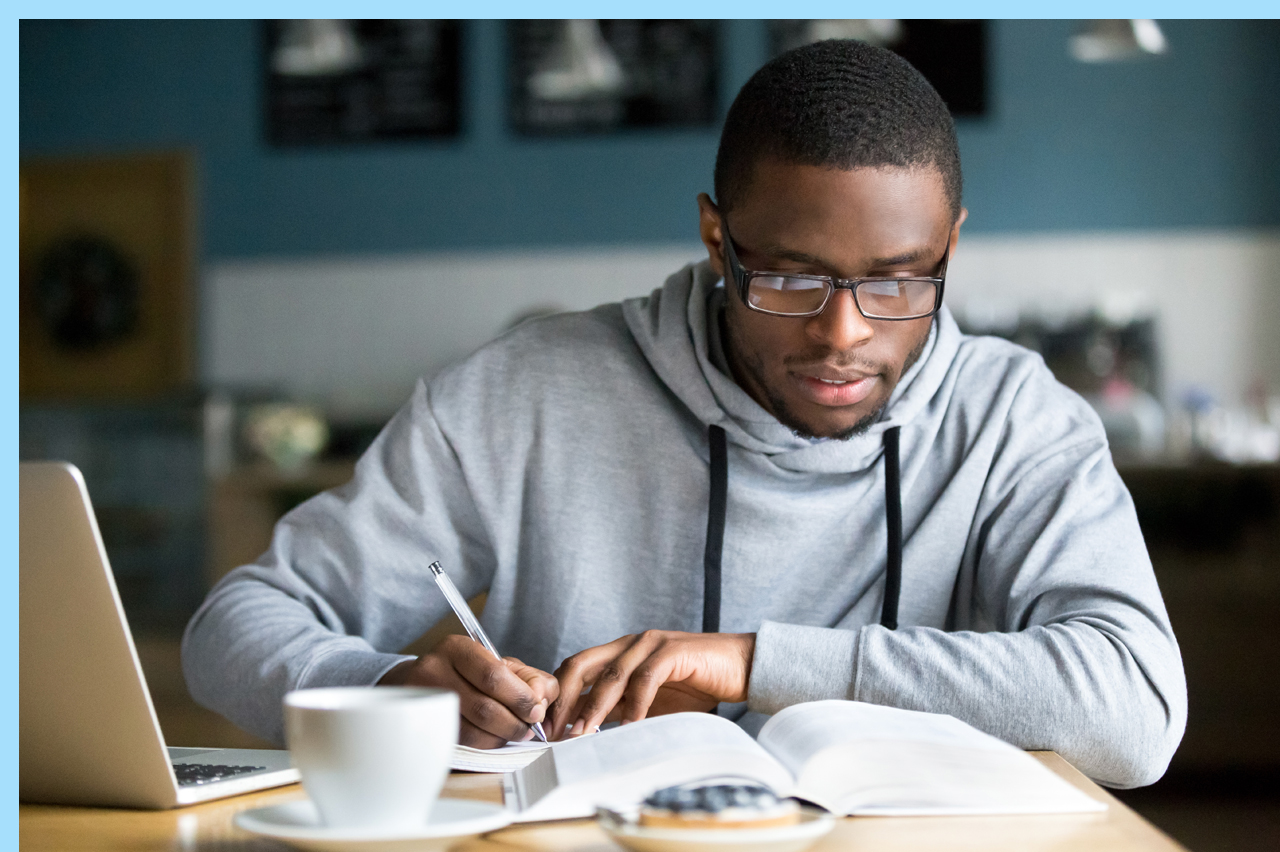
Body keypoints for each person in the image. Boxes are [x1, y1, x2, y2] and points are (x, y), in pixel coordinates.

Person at [183, 39, 1186, 789]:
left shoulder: (1013, 421)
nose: (842, 334)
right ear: (718, 236)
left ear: (948, 246)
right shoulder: (523, 393)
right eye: (789, 277)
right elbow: (232, 626)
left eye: (896, 281)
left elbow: (1134, 712)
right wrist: (391, 685)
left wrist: (748, 662)